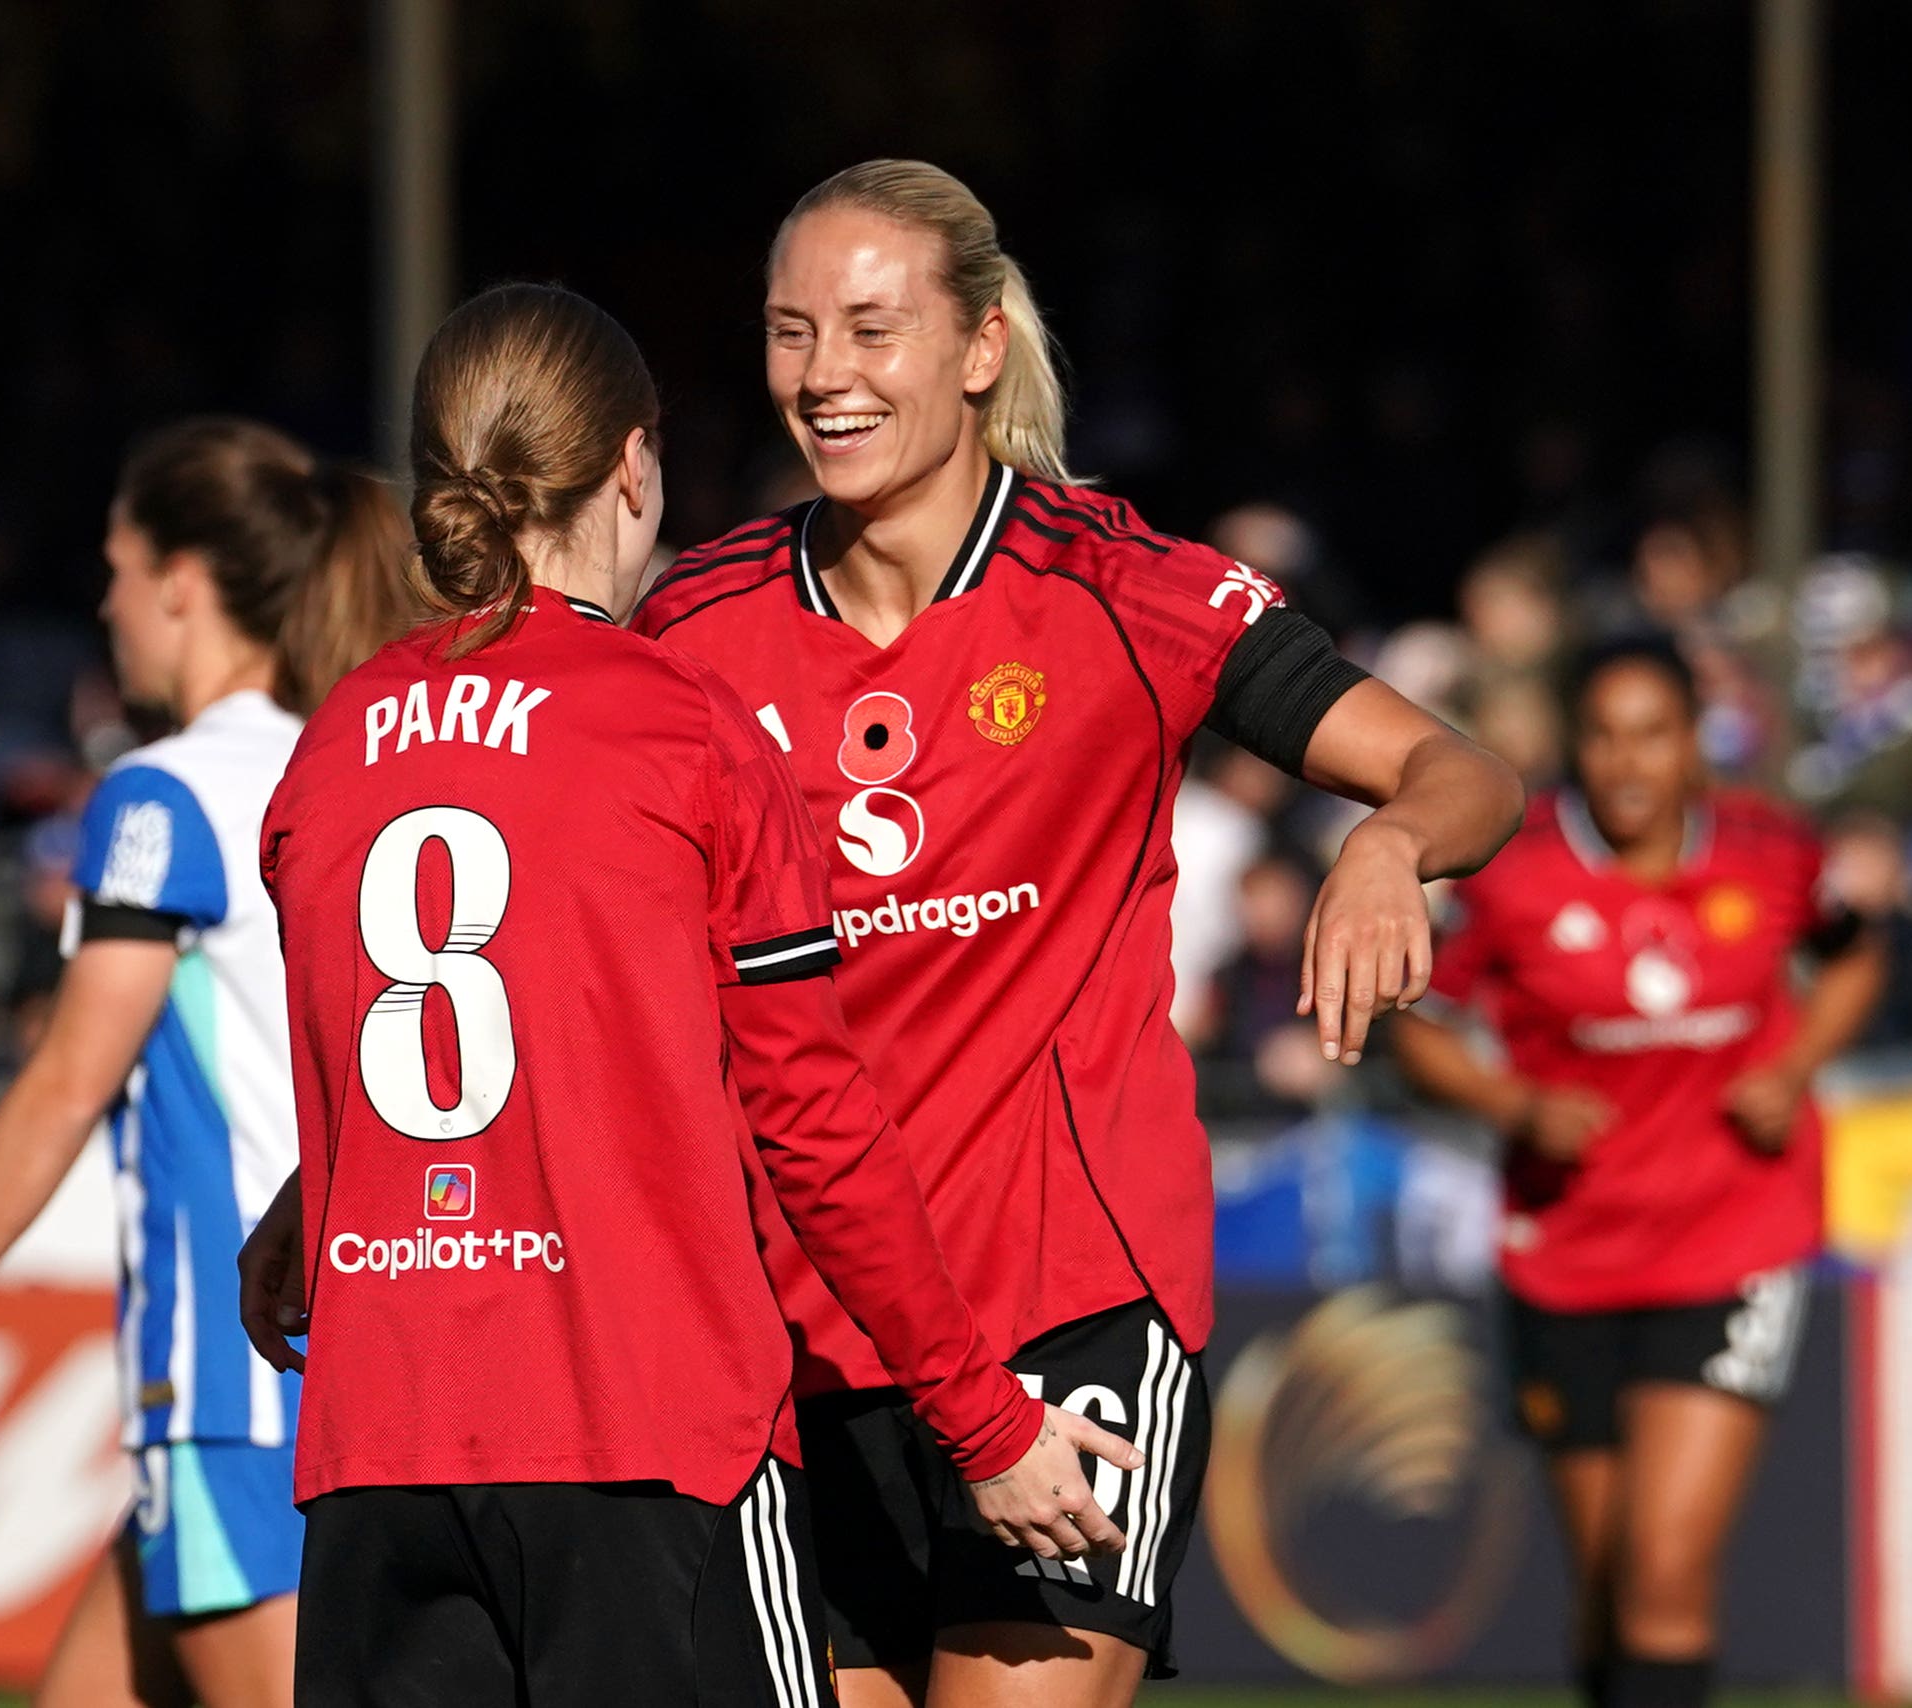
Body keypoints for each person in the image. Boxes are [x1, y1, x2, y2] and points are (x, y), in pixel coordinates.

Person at [629, 159, 1525, 1708]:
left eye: (868, 328)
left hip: (1063, 1301)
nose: (823, 378)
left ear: (979, 346)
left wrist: (1387, 844)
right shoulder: (688, 628)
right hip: (794, 1337)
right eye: (790, 335)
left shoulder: (1123, 593)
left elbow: (1466, 772)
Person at [241, 281, 1139, 1708]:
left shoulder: (339, 739)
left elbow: (398, 1043)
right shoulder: (678, 722)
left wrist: (302, 1214)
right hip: (643, 1446)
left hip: (382, 1457)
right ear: (635, 467)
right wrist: (981, 1421)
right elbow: (810, 1121)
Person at [0, 419, 408, 1708]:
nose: (103, 600)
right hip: (347, 1348)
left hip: (230, 1369)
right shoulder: (351, 760)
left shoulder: (159, 797)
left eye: (115, 564)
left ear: (180, 579)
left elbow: (67, 1077)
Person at [1390, 635, 1887, 1708]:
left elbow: (1854, 956)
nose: (1628, 763)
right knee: (1610, 1584)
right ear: (1575, 743)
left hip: (1732, 1241)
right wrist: (1514, 1102)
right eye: (1604, 736)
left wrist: (1794, 1065)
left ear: (1694, 742)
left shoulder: (1772, 850)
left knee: (1667, 1565)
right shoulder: (1514, 874)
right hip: (1566, 1254)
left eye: (1653, 735)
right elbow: (1418, 1025)